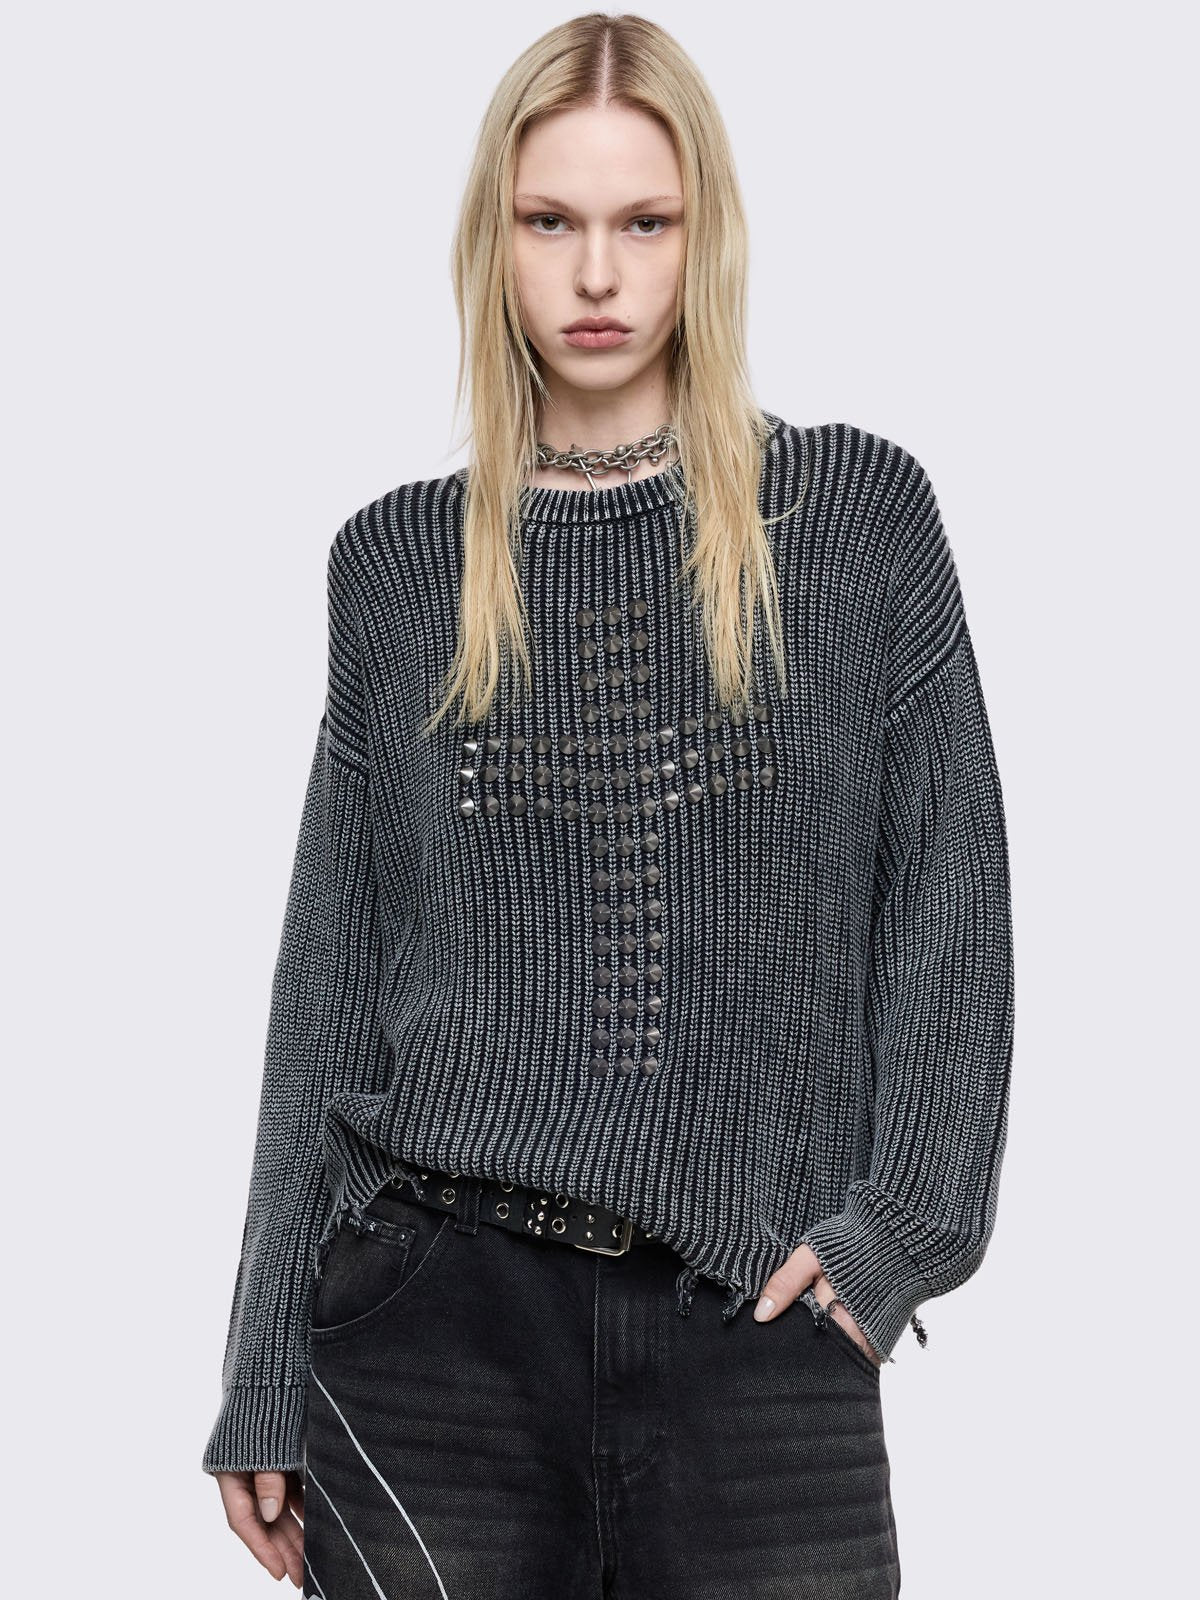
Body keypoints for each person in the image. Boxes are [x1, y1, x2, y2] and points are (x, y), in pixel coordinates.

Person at [202, 13, 1014, 1598]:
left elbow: (949, 906)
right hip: (432, 1340)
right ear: (492, 240)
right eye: (549, 221)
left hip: (762, 1325)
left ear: (706, 238)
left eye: (645, 223)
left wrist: (905, 1233)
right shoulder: (397, 567)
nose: (596, 275)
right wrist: (263, 1354)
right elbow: (330, 987)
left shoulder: (855, 522)